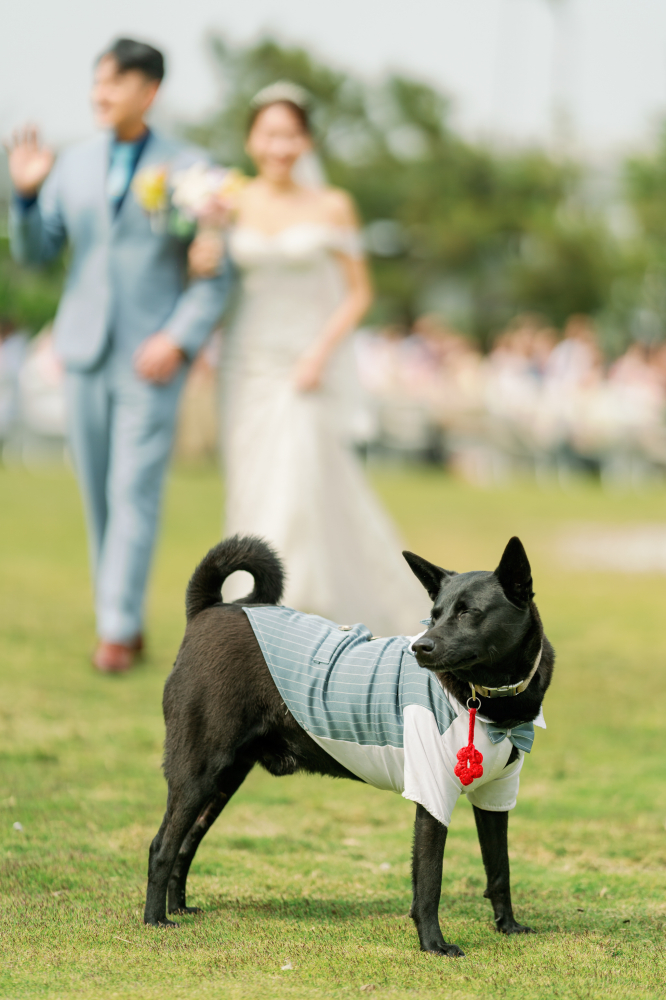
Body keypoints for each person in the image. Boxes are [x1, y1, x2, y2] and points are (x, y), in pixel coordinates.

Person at [7, 38, 231, 672]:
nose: (98, 93)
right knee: (99, 493)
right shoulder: (71, 164)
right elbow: (34, 254)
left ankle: (116, 628)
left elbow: (213, 275)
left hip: (150, 358)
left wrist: (177, 338)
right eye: (96, 81)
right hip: (82, 349)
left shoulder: (191, 169)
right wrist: (25, 197)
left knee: (134, 490)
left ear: (148, 90)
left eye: (112, 82)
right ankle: (121, 618)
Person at [190, 82, 428, 634]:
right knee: (252, 485)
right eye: (269, 134)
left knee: (298, 487)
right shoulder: (228, 200)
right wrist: (200, 256)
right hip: (245, 364)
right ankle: (249, 615)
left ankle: (285, 612)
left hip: (305, 365)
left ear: (307, 141)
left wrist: (320, 353)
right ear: (251, 139)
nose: (280, 146)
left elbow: (358, 293)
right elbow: (209, 274)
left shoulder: (332, 205)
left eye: (291, 135)